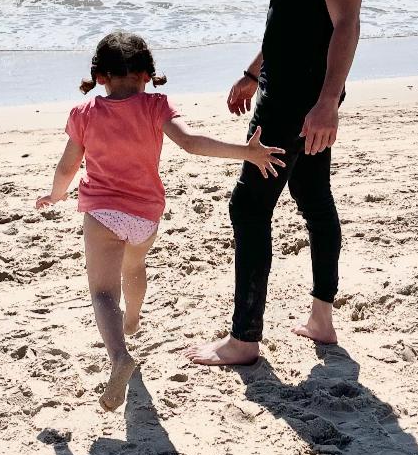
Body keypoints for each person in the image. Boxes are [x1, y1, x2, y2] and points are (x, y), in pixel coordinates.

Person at [189, 0, 364, 368]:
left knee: (248, 205)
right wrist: (252, 71)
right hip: (285, 88)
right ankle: (321, 319)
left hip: (296, 98)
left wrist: (326, 102)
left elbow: (346, 22)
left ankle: (244, 340)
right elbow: (290, 18)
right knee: (312, 195)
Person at [36, 31, 284, 408]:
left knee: (103, 293)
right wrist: (245, 152)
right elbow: (192, 143)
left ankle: (119, 356)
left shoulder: (84, 114)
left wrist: (56, 194)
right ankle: (133, 319)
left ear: (100, 76)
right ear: (146, 75)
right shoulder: (156, 106)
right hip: (145, 215)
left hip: (102, 213)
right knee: (134, 267)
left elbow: (68, 166)